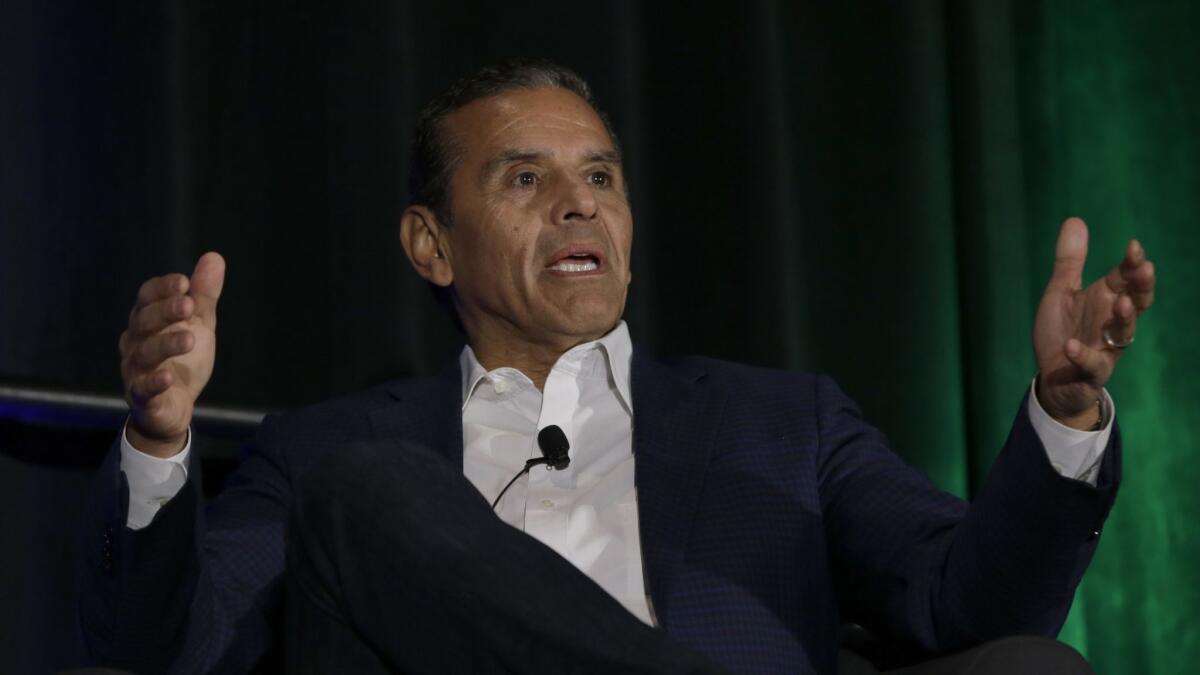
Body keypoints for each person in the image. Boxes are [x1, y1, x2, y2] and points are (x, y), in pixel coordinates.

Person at [78, 59, 1157, 674]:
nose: (580, 200)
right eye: (523, 178)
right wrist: (158, 443)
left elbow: (966, 603)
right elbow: (168, 652)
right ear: (430, 245)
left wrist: (1063, 418)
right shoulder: (324, 450)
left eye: (599, 174)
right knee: (368, 490)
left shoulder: (781, 422)